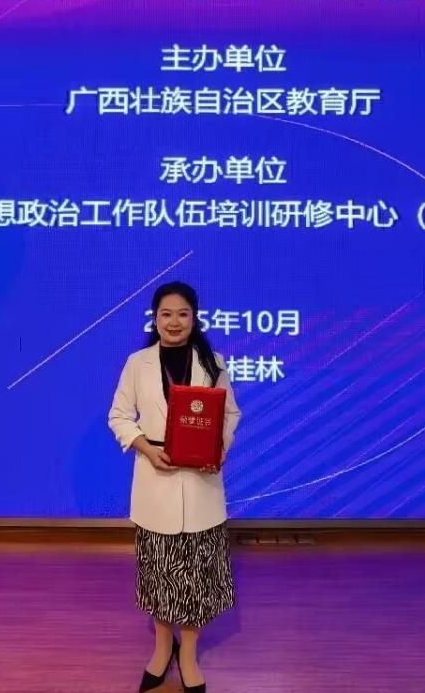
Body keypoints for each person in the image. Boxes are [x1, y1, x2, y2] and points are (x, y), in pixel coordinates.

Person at [108, 280, 242, 693]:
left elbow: (230, 414)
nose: (174, 322)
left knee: (198, 579)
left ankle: (188, 654)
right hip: (156, 478)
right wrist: (146, 449)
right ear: (156, 318)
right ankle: (162, 648)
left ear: (194, 318)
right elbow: (119, 416)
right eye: (166, 314)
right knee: (160, 576)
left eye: (183, 314)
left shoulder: (213, 362)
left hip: (201, 481)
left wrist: (219, 446)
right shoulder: (138, 363)